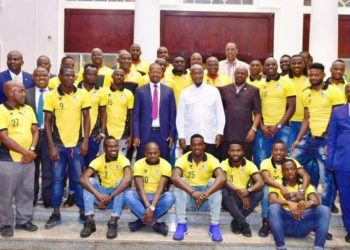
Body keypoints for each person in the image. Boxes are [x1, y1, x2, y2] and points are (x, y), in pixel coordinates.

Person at [291, 63, 343, 217]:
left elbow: (337, 119)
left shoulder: (334, 92)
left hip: (326, 141)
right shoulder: (306, 93)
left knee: (326, 180)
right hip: (309, 139)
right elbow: (306, 119)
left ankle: (324, 215)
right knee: (290, 163)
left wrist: (330, 142)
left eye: (317, 75)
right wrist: (297, 140)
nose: (313, 78)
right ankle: (295, 197)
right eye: (311, 75)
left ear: (323, 74)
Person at [44, 66, 91, 229]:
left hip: (77, 147)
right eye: (67, 75)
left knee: (79, 181)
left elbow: (86, 118)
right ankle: (56, 213)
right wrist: (51, 146)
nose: (70, 78)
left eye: (73, 75)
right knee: (57, 181)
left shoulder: (82, 94)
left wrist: (85, 141)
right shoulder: (51, 95)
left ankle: (83, 212)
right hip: (58, 146)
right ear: (60, 77)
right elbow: (48, 122)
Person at [0, 81, 39, 237]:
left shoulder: (28, 109)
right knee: (5, 195)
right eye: (21, 91)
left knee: (27, 192)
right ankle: (5, 223)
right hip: (8, 160)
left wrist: (31, 150)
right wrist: (25, 152)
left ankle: (24, 220)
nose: (24, 94)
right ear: (10, 92)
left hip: (28, 160)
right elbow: (3, 137)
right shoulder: (1, 110)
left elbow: (35, 131)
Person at [171, 134, 226, 242]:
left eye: (199, 144)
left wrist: (206, 193)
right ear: (190, 146)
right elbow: (174, 177)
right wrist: (192, 192)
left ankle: (214, 226)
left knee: (214, 182)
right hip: (189, 201)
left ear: (204, 146)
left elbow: (222, 177)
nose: (197, 147)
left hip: (206, 201)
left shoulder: (211, 159)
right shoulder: (183, 159)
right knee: (180, 182)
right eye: (194, 145)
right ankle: (181, 224)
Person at [269, 159, 331, 250]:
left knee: (324, 209)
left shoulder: (304, 184)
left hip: (303, 223)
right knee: (273, 207)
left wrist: (308, 203)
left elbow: (316, 200)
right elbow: (272, 199)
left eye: (292, 169)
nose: (290, 172)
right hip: (286, 224)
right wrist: (288, 203)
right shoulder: (278, 183)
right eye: (286, 169)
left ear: (296, 170)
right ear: (282, 172)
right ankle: (281, 246)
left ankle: (318, 247)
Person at [79, 136, 132, 239]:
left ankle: (113, 222)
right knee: (88, 181)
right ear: (104, 148)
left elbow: (128, 179)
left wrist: (110, 196)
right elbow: (82, 178)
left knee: (122, 182)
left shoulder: (123, 159)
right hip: (102, 197)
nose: (114, 149)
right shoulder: (98, 160)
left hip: (116, 197)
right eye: (110, 146)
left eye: (115, 146)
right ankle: (89, 221)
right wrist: (99, 196)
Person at [259, 140, 310, 237]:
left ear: (286, 152)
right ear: (272, 151)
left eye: (281, 150)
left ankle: (310, 221)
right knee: (266, 190)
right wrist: (281, 187)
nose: (278, 152)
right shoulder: (265, 162)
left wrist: (302, 190)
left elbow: (306, 176)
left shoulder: (292, 161)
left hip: (291, 188)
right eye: (276, 150)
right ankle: (266, 221)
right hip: (275, 190)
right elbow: (266, 178)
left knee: (307, 187)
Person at [125, 142, 175, 236]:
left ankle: (141, 222)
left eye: (155, 153)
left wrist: (151, 208)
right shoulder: (138, 164)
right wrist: (148, 206)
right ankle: (154, 224)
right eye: (150, 153)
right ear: (145, 153)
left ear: (159, 152)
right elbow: (139, 188)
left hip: (158, 197)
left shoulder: (166, 165)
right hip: (142, 197)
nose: (152, 155)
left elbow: (160, 189)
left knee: (170, 197)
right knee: (128, 195)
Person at [253, 57, 296, 167]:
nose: (270, 67)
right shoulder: (259, 85)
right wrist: (261, 126)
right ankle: (263, 184)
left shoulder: (287, 82)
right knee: (261, 158)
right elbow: (257, 109)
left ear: (277, 66)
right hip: (264, 129)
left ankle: (281, 183)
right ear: (264, 68)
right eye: (267, 65)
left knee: (283, 159)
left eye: (273, 64)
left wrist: (278, 126)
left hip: (282, 128)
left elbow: (291, 107)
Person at [177, 64, 225, 160]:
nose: (197, 75)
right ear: (190, 75)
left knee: (212, 165)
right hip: (190, 137)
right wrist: (181, 136)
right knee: (190, 165)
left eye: (200, 73)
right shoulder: (184, 93)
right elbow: (180, 117)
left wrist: (220, 132)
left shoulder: (214, 91)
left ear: (204, 74)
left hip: (211, 136)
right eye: (194, 73)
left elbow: (220, 113)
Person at [133, 63, 176, 161]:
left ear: (162, 74)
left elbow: (172, 115)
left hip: (163, 133)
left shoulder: (169, 91)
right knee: (142, 159)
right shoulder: (140, 91)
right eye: (153, 72)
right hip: (144, 133)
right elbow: (136, 116)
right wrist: (136, 135)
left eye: (158, 72)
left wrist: (171, 134)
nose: (155, 74)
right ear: (148, 73)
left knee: (164, 159)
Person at [221, 143, 264, 237]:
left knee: (259, 192)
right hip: (230, 198)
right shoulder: (224, 164)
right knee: (224, 190)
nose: (235, 153)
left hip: (245, 198)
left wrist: (248, 191)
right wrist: (238, 191)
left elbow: (260, 182)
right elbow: (223, 180)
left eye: (238, 150)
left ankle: (236, 221)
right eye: (232, 150)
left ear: (243, 152)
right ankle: (243, 223)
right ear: (228, 152)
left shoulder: (249, 164)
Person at [220, 65, 261, 160]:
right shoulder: (224, 89)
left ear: (247, 75)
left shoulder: (254, 90)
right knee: (226, 161)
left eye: (243, 73)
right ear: (234, 74)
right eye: (238, 73)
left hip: (246, 134)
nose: (240, 75)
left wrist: (253, 130)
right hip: (227, 133)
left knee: (245, 161)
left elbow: (258, 113)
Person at [25, 67, 52, 208]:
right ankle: (32, 198)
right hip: (31, 136)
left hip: (49, 137)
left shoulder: (54, 94)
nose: (41, 78)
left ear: (49, 77)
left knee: (48, 169)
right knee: (32, 170)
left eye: (44, 75)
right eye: (38, 75)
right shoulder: (26, 94)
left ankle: (47, 198)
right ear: (33, 78)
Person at [326, 84, 350, 243]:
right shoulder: (338, 111)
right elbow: (332, 137)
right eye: (348, 91)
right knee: (346, 198)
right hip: (343, 161)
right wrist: (330, 160)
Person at [77, 64, 106, 166]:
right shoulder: (75, 89)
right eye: (89, 74)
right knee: (77, 167)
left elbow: (103, 112)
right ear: (84, 75)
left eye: (94, 75)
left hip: (93, 134)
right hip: (76, 135)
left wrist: (102, 132)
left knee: (91, 166)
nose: (92, 77)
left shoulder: (101, 91)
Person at [105, 69, 134, 156]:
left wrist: (131, 135)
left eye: (121, 75)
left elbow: (131, 115)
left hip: (123, 134)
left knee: (120, 161)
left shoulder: (129, 94)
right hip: (107, 134)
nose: (119, 77)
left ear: (124, 78)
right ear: (112, 76)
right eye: (116, 75)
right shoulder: (104, 92)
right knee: (105, 161)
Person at [287, 54, 309, 151]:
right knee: (290, 151)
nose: (296, 65)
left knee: (305, 152)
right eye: (294, 63)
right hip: (289, 123)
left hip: (307, 122)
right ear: (290, 65)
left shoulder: (310, 80)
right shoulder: (284, 80)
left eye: (299, 63)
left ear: (304, 65)